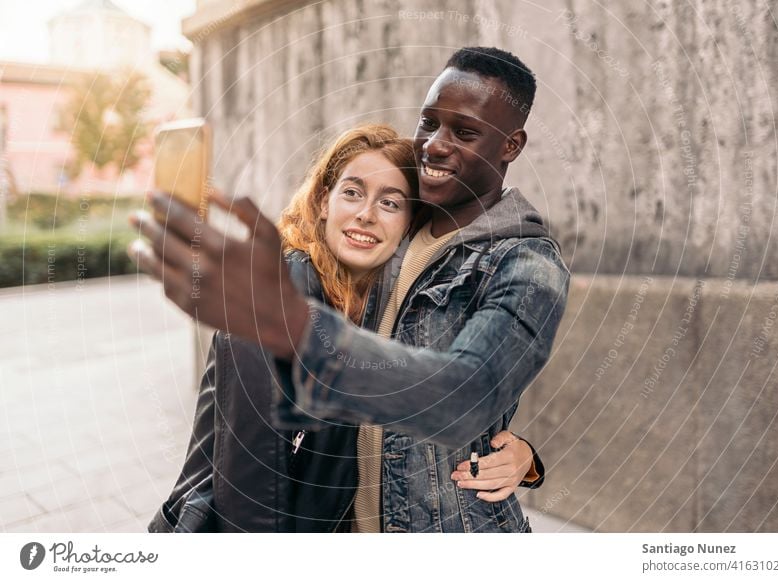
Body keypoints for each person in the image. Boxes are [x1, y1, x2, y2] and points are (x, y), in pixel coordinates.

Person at [132, 46, 566, 532]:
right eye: (428, 123)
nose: (436, 145)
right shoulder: (321, 274)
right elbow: (248, 472)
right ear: (322, 200)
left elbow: (465, 395)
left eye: (464, 132)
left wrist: (523, 458)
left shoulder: (522, 264)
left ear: (511, 145)